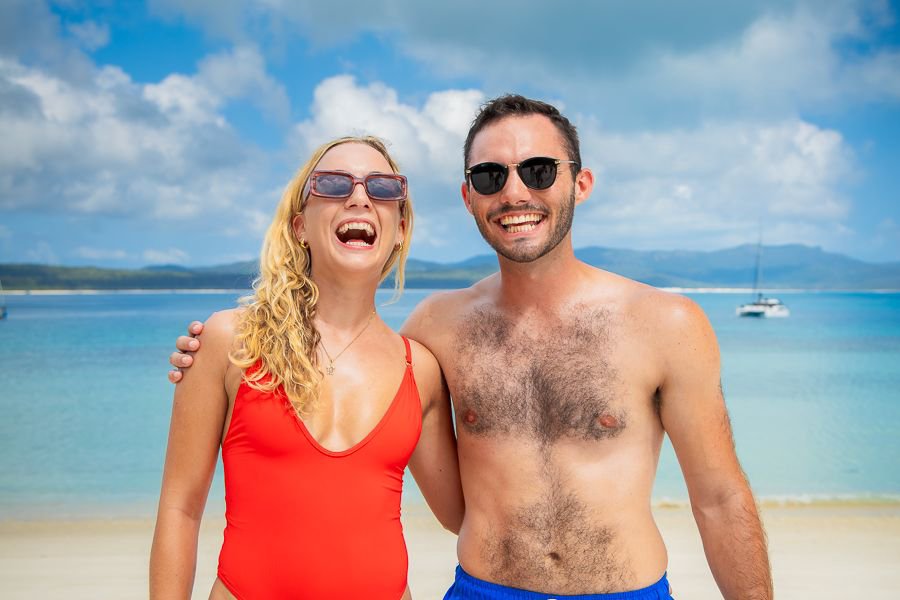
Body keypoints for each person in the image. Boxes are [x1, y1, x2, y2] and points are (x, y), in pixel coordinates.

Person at [170, 96, 773, 599]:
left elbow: (720, 498)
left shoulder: (667, 323)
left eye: (538, 171)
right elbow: (337, 385)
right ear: (468, 197)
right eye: (491, 176)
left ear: (579, 183)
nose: (515, 192)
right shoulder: (436, 331)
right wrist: (213, 358)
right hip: (482, 590)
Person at [150, 136, 463, 600]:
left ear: (399, 228)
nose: (359, 196)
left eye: (382, 188)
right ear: (300, 226)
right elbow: (180, 509)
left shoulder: (420, 369)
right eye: (334, 185)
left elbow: (462, 515)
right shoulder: (230, 342)